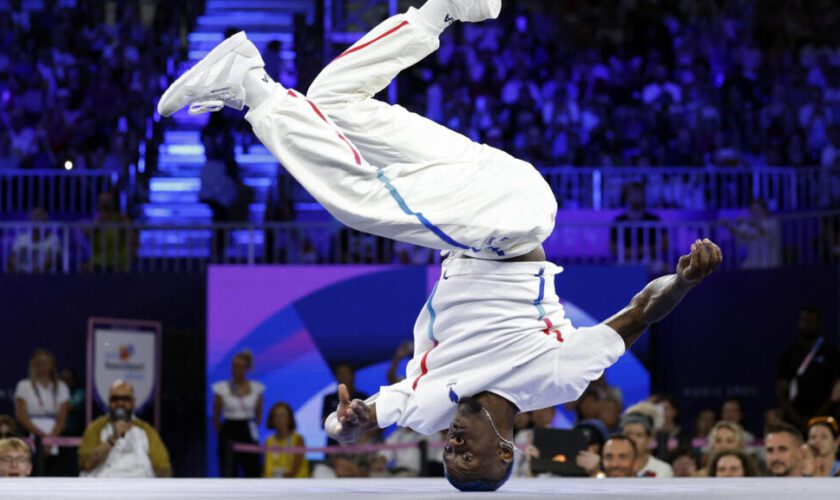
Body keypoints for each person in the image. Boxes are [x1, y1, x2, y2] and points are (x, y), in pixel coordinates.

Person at [158, 0, 723, 490]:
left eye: (449, 457)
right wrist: (686, 281)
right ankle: (249, 82)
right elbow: (639, 314)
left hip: (478, 193)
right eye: (467, 455)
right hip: (507, 224)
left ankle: (441, 11)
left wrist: (345, 424)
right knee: (358, 203)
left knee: (335, 103)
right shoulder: (554, 379)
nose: (454, 445)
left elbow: (363, 417)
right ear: (507, 450)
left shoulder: (430, 408)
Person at [78, 380, 171, 477]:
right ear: (109, 402)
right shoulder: (96, 428)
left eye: (125, 399)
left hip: (139, 487)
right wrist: (113, 438)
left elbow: (163, 468)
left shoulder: (146, 430)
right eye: (115, 399)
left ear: (133, 402)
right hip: (105, 487)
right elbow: (85, 465)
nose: (120, 403)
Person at [776, 307, 840, 427]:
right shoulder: (789, 354)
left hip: (826, 417)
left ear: (819, 324)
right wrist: (796, 418)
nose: (807, 325)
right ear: (799, 322)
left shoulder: (832, 354)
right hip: (794, 418)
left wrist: (817, 416)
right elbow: (781, 390)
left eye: (811, 321)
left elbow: (835, 392)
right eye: (804, 321)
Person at [14, 348, 70, 476]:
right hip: (31, 432)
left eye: (46, 362)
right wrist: (41, 437)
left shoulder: (61, 387)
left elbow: (62, 417)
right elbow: (21, 415)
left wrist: (51, 439)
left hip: (55, 434)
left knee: (55, 472)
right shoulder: (24, 385)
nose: (43, 366)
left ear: (52, 365)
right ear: (33, 364)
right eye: (39, 362)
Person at [212, 349, 264, 477]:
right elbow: (216, 416)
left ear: (247, 368)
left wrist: (250, 428)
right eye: (234, 366)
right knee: (228, 469)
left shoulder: (257, 388)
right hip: (229, 429)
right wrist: (224, 431)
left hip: (248, 430)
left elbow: (258, 415)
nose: (236, 369)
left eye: (240, 366)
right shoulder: (221, 388)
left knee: (252, 468)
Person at [321, 363, 368, 446]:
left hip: (360, 443)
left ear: (353, 376)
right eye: (340, 373)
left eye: (346, 373)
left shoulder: (363, 397)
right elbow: (323, 424)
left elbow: (373, 421)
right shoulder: (328, 398)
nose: (343, 376)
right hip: (335, 443)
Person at [7, 207, 60, 273]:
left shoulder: (53, 238)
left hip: (43, 277)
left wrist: (33, 274)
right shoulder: (21, 238)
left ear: (46, 222)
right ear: (30, 220)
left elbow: (52, 260)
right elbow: (12, 259)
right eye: (35, 217)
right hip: (21, 276)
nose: (37, 220)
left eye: (40, 217)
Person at [620, 411, 674, 477]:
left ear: (649, 440)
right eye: (628, 434)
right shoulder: (613, 466)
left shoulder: (662, 470)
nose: (632, 439)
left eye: (639, 435)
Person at [263, 402, 308, 478]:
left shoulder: (298, 439)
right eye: (276, 415)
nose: (279, 419)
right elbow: (265, 470)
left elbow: (294, 471)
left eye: (283, 415)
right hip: (271, 484)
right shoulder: (268, 441)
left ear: (289, 418)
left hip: (294, 485)